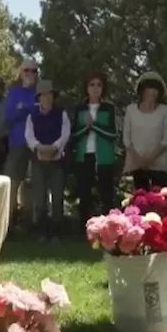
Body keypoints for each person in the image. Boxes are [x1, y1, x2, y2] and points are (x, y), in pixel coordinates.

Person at [69, 73, 120, 222]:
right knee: (84, 193)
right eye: (92, 85)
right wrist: (86, 128)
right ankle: (84, 229)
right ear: (86, 88)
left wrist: (94, 125)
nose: (95, 88)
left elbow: (112, 134)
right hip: (84, 156)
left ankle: (110, 227)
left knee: (106, 194)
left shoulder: (108, 108)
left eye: (99, 85)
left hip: (104, 157)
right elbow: (74, 135)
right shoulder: (80, 108)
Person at [24, 81, 70, 241]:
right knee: (39, 197)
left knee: (57, 197)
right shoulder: (32, 115)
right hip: (38, 160)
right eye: (44, 95)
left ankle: (57, 231)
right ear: (39, 97)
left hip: (57, 160)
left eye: (50, 94)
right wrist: (39, 148)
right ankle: (41, 231)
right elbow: (29, 136)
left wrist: (55, 147)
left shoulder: (61, 113)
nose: (47, 98)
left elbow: (65, 133)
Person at [122, 72, 167, 190]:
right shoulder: (131, 110)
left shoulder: (164, 111)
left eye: (156, 88)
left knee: (160, 202)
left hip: (160, 165)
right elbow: (126, 139)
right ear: (142, 90)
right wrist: (139, 160)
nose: (153, 92)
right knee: (140, 200)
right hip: (137, 164)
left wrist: (150, 159)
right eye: (149, 87)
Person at [3, 60, 39, 218]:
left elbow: (41, 113)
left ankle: (34, 221)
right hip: (17, 142)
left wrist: (22, 108)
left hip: (38, 142)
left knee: (36, 184)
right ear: (20, 73)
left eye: (33, 71)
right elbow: (9, 116)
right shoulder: (13, 92)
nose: (29, 74)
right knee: (13, 183)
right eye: (26, 70)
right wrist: (29, 108)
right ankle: (7, 224)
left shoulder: (40, 91)